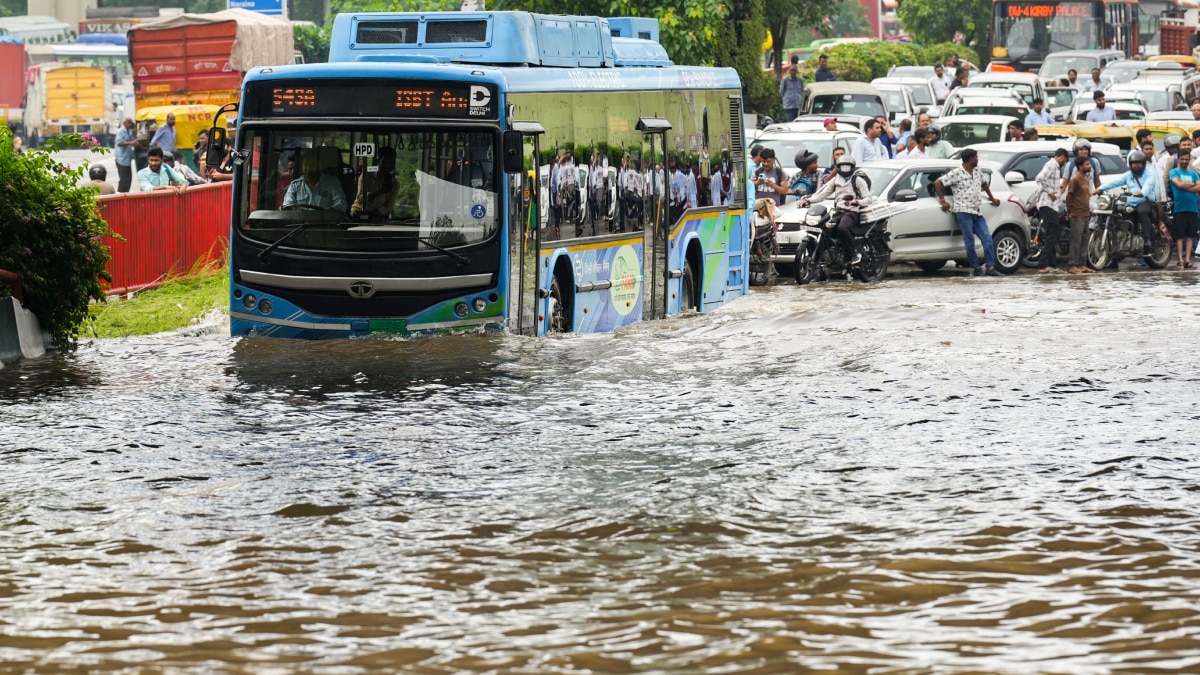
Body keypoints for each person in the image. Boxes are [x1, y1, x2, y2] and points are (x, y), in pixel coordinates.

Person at [935, 148, 1002, 277]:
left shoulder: (977, 171)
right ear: (970, 159)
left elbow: (984, 183)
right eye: (976, 157)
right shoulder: (957, 173)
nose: (978, 159)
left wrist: (992, 198)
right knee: (969, 240)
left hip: (976, 210)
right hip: (963, 210)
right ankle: (975, 267)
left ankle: (990, 266)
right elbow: (938, 182)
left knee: (987, 239)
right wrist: (942, 200)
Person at [802, 155, 872, 264]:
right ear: (837, 167)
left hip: (852, 212)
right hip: (838, 212)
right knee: (825, 231)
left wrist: (857, 202)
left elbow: (868, 198)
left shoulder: (858, 180)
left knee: (842, 228)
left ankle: (854, 253)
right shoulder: (835, 180)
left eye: (847, 167)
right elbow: (822, 195)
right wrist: (808, 200)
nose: (845, 169)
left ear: (852, 167)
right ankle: (817, 263)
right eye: (842, 167)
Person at [1096, 149, 1158, 262]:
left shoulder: (1150, 174)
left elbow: (1148, 185)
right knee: (1117, 211)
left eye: (1139, 163)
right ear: (1130, 164)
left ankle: (1147, 239)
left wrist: (1142, 192)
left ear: (1143, 164)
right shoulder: (1128, 175)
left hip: (1146, 201)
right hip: (1132, 202)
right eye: (1134, 163)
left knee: (1141, 211)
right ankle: (1119, 243)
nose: (1137, 165)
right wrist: (1099, 189)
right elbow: (1115, 182)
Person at [1034, 149, 1069, 273]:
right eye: (1065, 159)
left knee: (1054, 235)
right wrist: (1050, 192)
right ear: (1061, 157)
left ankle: (1052, 265)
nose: (1064, 162)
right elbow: (1039, 178)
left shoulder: (1054, 166)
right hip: (1047, 205)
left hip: (1052, 205)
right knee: (1051, 236)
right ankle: (1043, 265)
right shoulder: (1052, 165)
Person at [283, 149, 348, 211]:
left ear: (320, 166)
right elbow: (288, 205)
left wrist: (332, 210)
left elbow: (342, 203)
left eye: (312, 164)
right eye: (305, 164)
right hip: (299, 221)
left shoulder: (332, 183)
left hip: (325, 221)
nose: (308, 168)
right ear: (301, 166)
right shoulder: (295, 185)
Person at [1170, 149, 1200, 268]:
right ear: (1178, 159)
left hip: (1192, 208)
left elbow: (1198, 188)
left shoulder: (1193, 173)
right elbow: (1179, 185)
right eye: (1182, 159)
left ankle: (1187, 259)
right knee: (1179, 235)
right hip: (1179, 208)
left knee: (1190, 235)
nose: (1184, 161)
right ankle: (1180, 259)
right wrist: (1192, 185)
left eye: (1186, 159)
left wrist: (1185, 186)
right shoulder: (1174, 172)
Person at [350, 146, 399, 219]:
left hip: (377, 216)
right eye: (384, 163)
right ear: (378, 161)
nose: (387, 166)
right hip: (359, 212)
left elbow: (388, 207)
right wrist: (379, 191)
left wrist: (373, 214)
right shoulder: (366, 176)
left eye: (391, 163)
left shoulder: (394, 184)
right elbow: (360, 199)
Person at [1065, 156, 1093, 273]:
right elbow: (1069, 196)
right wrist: (1069, 211)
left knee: (1084, 240)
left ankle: (1082, 264)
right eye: (1087, 164)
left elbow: (1085, 197)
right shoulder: (1075, 179)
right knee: (1076, 240)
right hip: (1077, 214)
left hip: (1086, 214)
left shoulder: (1086, 179)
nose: (1089, 166)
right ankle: (1073, 265)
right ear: (1080, 167)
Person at [114, 117, 137, 193]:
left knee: (128, 179)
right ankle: (120, 193)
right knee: (123, 179)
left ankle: (126, 194)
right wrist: (130, 143)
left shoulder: (130, 131)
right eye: (128, 123)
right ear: (124, 123)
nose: (130, 125)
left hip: (128, 159)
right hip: (121, 159)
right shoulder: (120, 131)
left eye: (131, 123)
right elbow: (119, 142)